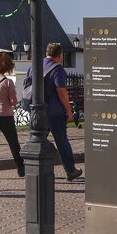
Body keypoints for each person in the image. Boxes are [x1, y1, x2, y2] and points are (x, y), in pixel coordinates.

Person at [36, 42, 82, 182]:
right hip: (54, 111)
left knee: (37, 140)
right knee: (61, 141)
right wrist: (69, 110)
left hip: (38, 110)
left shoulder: (35, 66)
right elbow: (61, 91)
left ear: (46, 53)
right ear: (60, 55)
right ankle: (70, 170)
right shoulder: (58, 69)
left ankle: (31, 169)